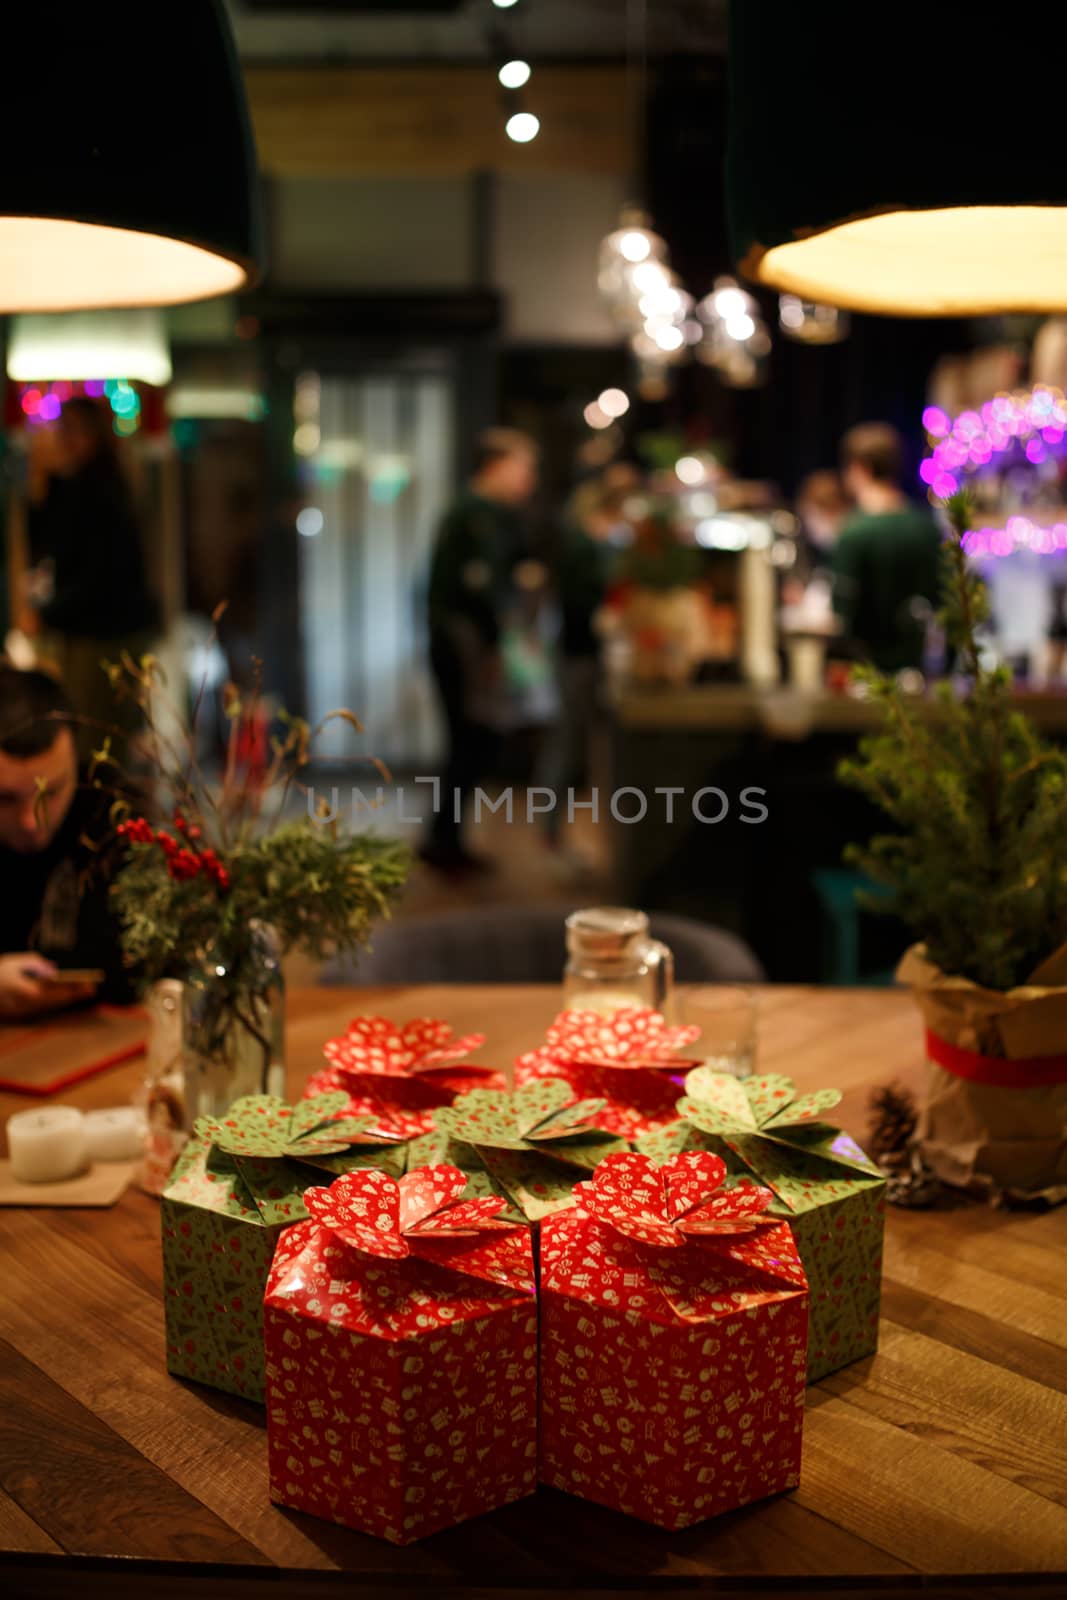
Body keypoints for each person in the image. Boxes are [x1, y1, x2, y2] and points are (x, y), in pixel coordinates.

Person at [421, 428, 539, 872]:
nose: (529, 478)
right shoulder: (473, 515)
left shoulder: (490, 514)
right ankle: (443, 842)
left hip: (466, 644)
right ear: (498, 466)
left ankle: (446, 839)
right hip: (461, 646)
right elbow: (480, 591)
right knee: (468, 742)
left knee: (471, 742)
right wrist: (494, 648)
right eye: (524, 467)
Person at [27, 396, 159, 754]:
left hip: (101, 632)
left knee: (94, 739)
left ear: (91, 436)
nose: (60, 440)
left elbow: (97, 573)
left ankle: (106, 810)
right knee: (99, 737)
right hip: (101, 627)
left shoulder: (97, 490)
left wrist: (51, 612)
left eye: (69, 431)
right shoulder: (95, 485)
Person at [0, 664, 133, 1018]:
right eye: (5, 799)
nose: (31, 821)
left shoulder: (115, 812)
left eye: (52, 792)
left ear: (77, 758)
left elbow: (142, 971)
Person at [539, 471, 630, 867]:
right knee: (568, 743)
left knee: (577, 745)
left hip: (582, 653)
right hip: (577, 655)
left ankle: (563, 833)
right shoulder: (583, 547)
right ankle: (550, 832)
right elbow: (580, 606)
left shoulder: (592, 545)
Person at [832, 423, 943, 672]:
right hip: (922, 672)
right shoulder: (927, 528)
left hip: (868, 675)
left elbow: (841, 614)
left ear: (859, 468)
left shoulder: (854, 533)